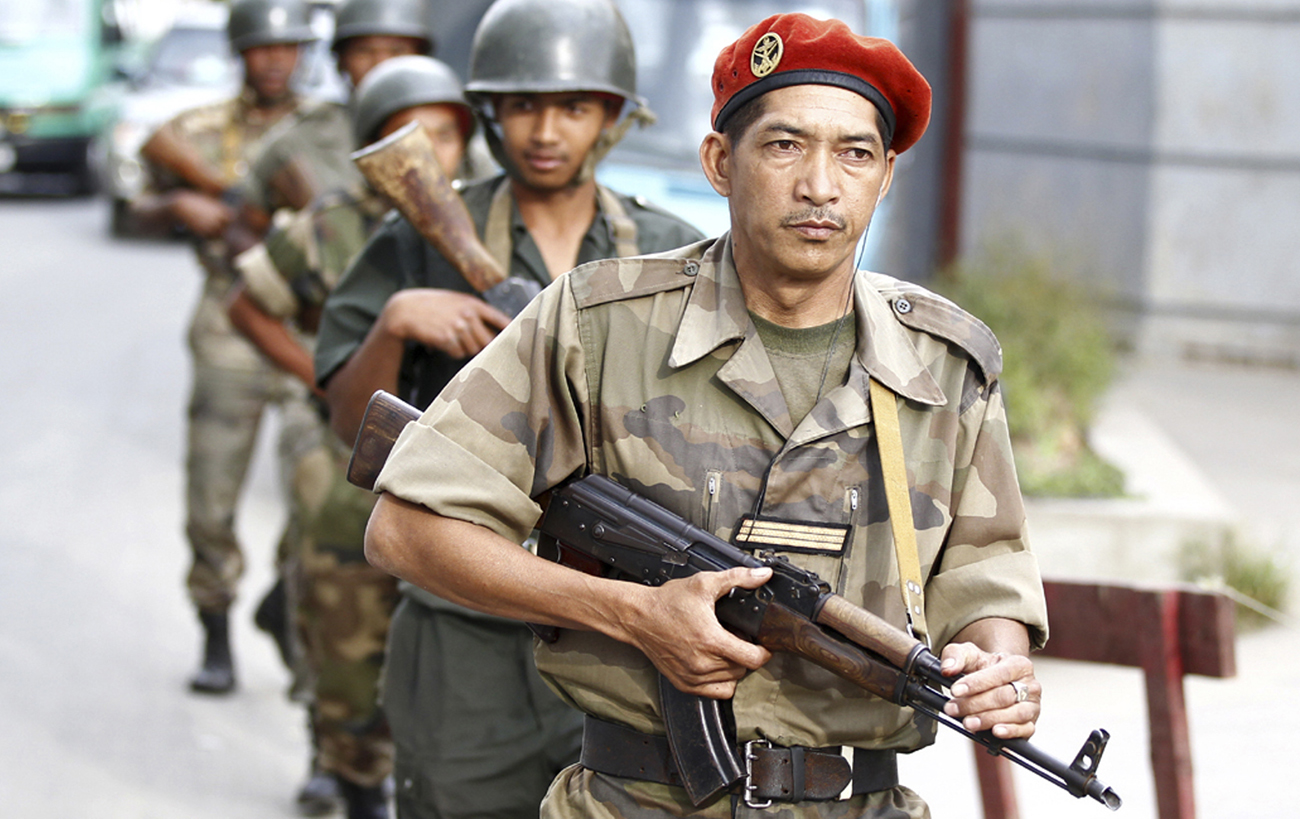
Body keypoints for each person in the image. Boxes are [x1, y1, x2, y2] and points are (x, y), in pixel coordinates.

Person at [362, 13, 1050, 819]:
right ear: (721, 161)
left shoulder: (945, 362)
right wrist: (630, 613)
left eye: (855, 154)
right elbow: (404, 528)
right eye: (785, 145)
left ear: (887, 174)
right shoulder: (599, 323)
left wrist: (998, 668)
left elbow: (985, 580)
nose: (820, 186)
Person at [313, 1, 705, 816]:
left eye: (574, 106)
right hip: (466, 626)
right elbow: (350, 422)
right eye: (523, 104)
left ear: (613, 116)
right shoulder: (417, 237)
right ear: (490, 114)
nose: (546, 131)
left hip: (624, 634)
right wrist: (395, 323)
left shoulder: (669, 251)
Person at [228, 55, 477, 819]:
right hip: (349, 441)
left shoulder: (489, 220)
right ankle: (340, 749)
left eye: (445, 133)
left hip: (456, 446)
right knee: (340, 576)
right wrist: (324, 377)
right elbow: (248, 305)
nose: (429, 151)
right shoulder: (333, 221)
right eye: (407, 134)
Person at [129, 0, 319, 697]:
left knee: (318, 489)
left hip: (306, 319)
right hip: (227, 321)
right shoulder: (200, 129)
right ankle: (214, 625)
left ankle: (289, 605)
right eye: (262, 48)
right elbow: (137, 206)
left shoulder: (324, 129)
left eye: (287, 48)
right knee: (211, 492)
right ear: (239, 53)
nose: (275, 61)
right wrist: (180, 207)